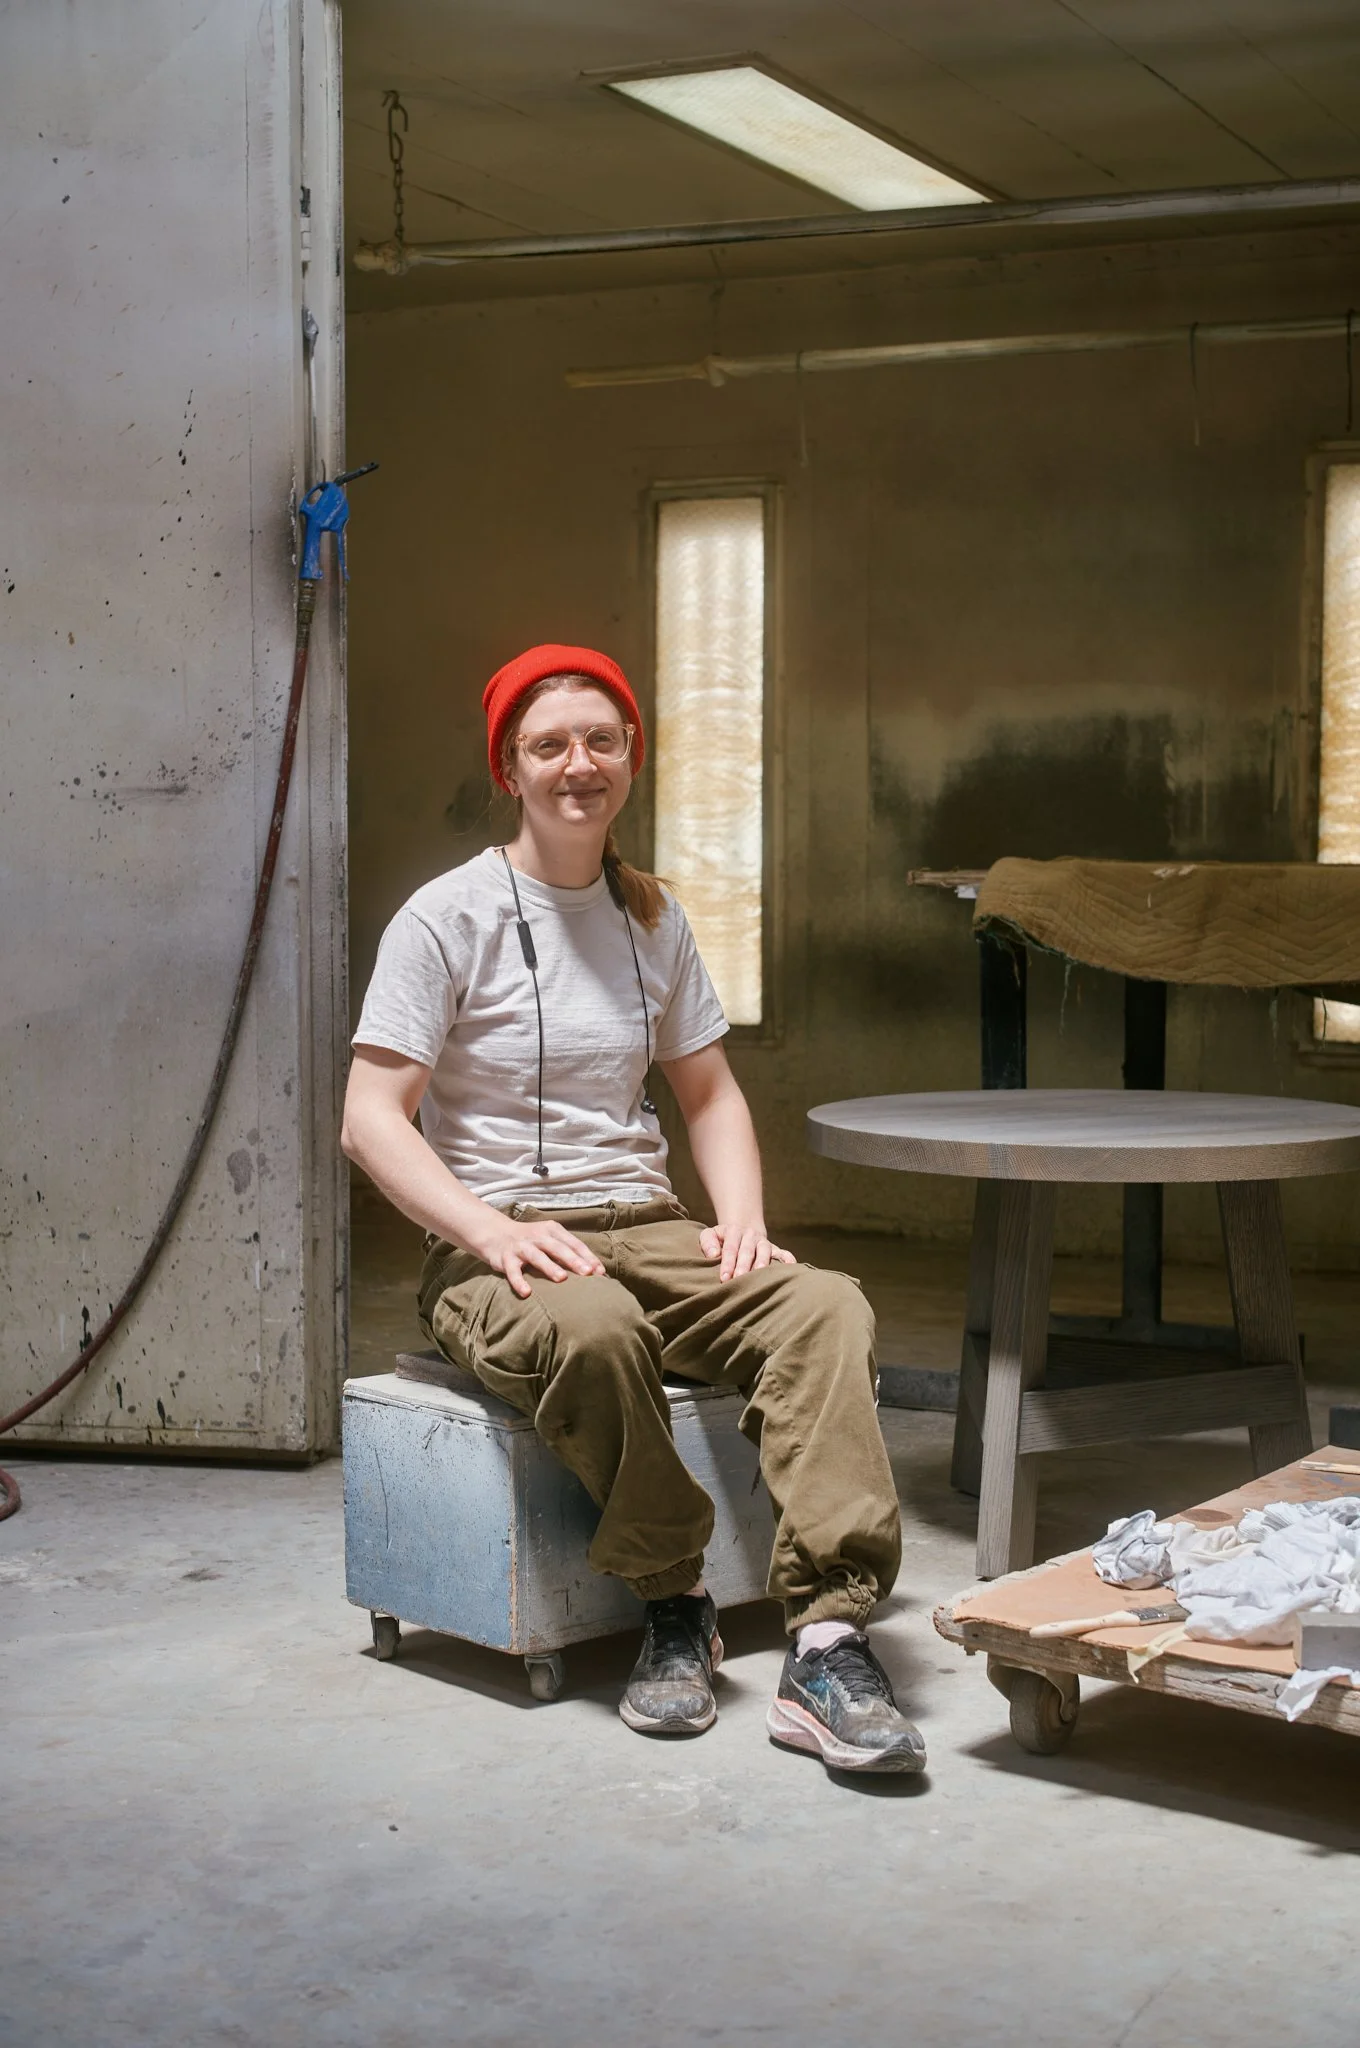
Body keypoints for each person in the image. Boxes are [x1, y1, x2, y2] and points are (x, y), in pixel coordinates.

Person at [342, 642, 925, 1775]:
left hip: (645, 1219)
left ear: (630, 758)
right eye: (549, 743)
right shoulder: (443, 917)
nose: (579, 764)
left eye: (601, 740)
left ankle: (829, 1639)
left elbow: (706, 1088)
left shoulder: (651, 915)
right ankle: (675, 1601)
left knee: (825, 1307)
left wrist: (740, 1218)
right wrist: (489, 1230)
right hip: (497, 1237)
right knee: (594, 1324)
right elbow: (371, 1116)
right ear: (510, 766)